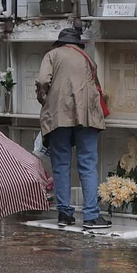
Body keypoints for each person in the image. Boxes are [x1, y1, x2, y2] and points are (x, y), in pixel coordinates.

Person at [35, 25, 111, 229]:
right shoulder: (87, 58)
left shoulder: (52, 55)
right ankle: (91, 216)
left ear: (60, 42)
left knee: (60, 164)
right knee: (87, 164)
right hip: (87, 115)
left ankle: (64, 214)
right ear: (78, 44)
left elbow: (43, 80)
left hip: (59, 116)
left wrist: (45, 100)